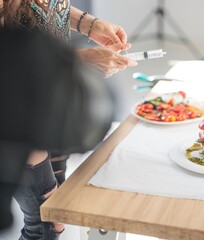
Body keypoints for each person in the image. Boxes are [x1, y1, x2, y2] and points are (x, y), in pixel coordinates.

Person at [0, 1, 136, 239]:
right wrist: (76, 60)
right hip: (19, 118)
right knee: (46, 223)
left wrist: (89, 24)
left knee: (53, 216)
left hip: (50, 107)